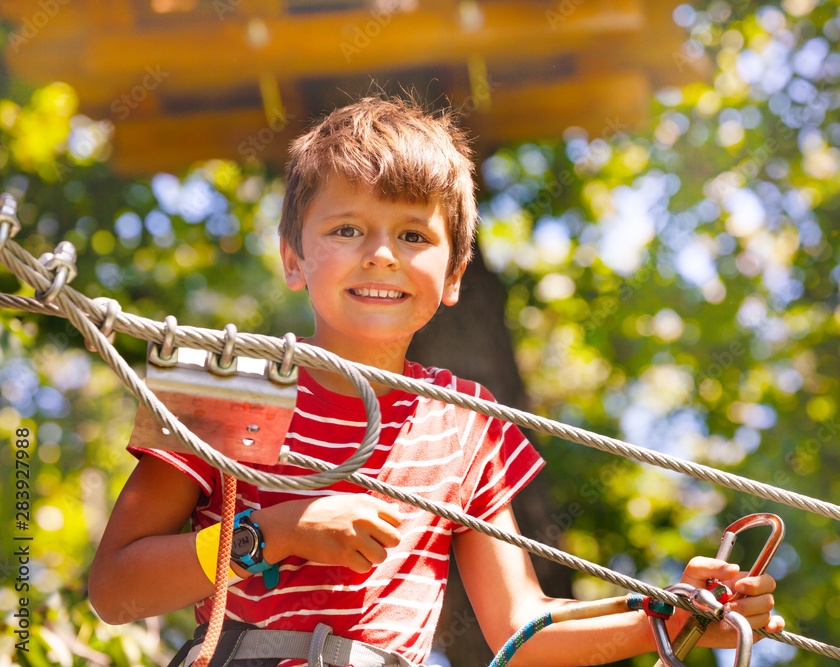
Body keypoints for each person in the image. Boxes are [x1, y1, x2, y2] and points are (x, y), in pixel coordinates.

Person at [88, 96, 784, 666]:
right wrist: (278, 530)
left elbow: (521, 624)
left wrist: (665, 617)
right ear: (293, 258)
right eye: (348, 229)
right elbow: (115, 590)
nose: (382, 256)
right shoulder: (237, 383)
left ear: (454, 275)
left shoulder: (465, 422)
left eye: (414, 236)